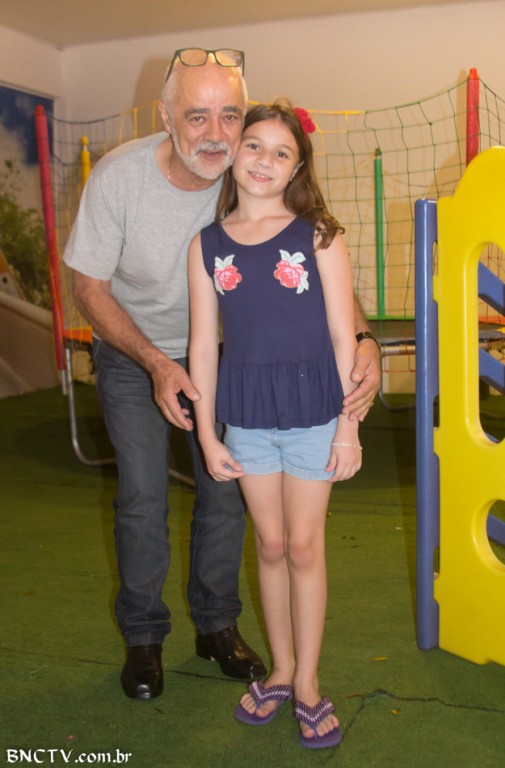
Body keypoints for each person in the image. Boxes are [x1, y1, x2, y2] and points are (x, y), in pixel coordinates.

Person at [63, 49, 380, 701]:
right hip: (136, 350)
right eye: (197, 116)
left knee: (226, 495)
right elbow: (88, 286)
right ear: (165, 117)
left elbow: (319, 267)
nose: (216, 133)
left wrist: (363, 339)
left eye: (229, 115)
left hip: (233, 364)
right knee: (143, 492)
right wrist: (157, 363)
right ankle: (145, 638)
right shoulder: (120, 179)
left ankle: (217, 627)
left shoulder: (249, 172)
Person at [188, 101, 363, 749]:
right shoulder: (206, 245)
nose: (264, 160)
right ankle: (282, 669)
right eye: (254, 145)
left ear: (297, 168)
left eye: (281, 152)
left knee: (303, 546)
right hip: (247, 416)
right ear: (234, 152)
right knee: (268, 545)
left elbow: (344, 337)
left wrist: (347, 426)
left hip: (315, 410)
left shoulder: (318, 235)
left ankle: (308, 681)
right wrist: (207, 433)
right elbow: (203, 345)